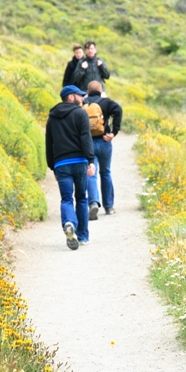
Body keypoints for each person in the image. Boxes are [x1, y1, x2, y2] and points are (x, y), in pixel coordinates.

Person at [45, 85, 95, 250]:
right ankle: (82, 236)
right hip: (80, 161)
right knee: (81, 198)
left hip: (61, 164)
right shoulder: (80, 114)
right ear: (71, 97)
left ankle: (68, 223)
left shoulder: (52, 117)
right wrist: (90, 160)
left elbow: (49, 143)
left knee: (66, 199)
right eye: (80, 96)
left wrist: (52, 166)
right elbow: (86, 138)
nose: (83, 99)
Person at [85, 80, 122, 219]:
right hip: (105, 141)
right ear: (101, 91)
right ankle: (109, 206)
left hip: (88, 144)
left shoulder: (83, 102)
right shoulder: (106, 102)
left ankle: (93, 203)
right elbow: (118, 110)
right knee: (105, 172)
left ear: (87, 91)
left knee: (91, 174)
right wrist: (114, 132)